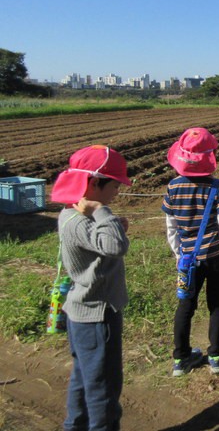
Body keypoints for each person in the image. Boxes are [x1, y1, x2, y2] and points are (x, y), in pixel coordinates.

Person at [51, 145, 132, 431]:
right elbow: (115, 246)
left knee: (84, 378)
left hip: (82, 314)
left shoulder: (70, 214)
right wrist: (102, 211)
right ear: (95, 182)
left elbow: (106, 242)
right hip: (97, 315)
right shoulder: (84, 218)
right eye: (114, 185)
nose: (117, 192)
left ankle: (74, 426)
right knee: (103, 387)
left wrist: (110, 222)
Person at [162, 128, 219, 377]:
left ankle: (180, 358)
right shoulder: (218, 187)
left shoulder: (173, 187)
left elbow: (171, 228)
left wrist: (180, 255)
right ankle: (216, 356)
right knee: (217, 303)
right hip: (215, 256)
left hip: (188, 260)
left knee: (185, 306)